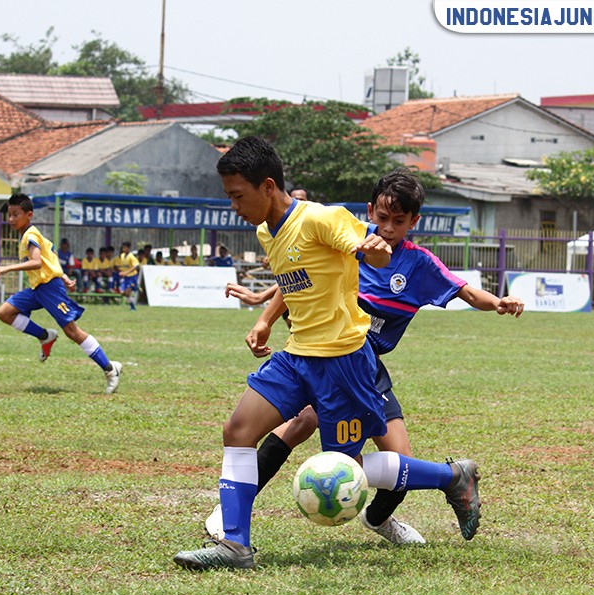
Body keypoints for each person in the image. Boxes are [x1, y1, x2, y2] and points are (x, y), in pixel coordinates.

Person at [172, 137, 481, 571]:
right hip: (297, 356)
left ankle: (452, 476)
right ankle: (235, 545)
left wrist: (372, 249)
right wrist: (264, 318)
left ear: (266, 186)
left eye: (237, 196)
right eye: (229, 197)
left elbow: (363, 245)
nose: (234, 207)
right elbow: (296, 281)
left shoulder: (320, 218)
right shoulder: (267, 231)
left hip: (343, 362)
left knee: (346, 467)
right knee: (238, 430)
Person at [204, 170, 525, 545]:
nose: (388, 228)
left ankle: (381, 518)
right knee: (297, 423)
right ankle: (232, 515)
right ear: (371, 211)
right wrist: (263, 314)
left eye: (399, 221)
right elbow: (299, 273)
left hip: (362, 365)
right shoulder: (350, 239)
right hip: (320, 353)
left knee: (392, 457)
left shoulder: (417, 264)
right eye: (382, 218)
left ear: (413, 222)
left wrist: (498, 302)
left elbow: (466, 292)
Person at [0, 193, 123, 394]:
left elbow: (37, 262)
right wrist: (64, 277)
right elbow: (50, 258)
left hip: (50, 289)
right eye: (9, 215)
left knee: (72, 332)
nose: (11, 219)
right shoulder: (33, 234)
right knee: (4, 313)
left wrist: (7, 268)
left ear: (29, 215)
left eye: (15, 214)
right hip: (38, 288)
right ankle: (45, 337)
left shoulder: (30, 236)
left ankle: (110, 369)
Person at [116, 241, 140, 310]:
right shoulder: (122, 255)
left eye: (125, 248)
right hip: (126, 277)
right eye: (122, 248)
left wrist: (126, 272)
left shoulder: (131, 257)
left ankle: (133, 307)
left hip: (132, 277)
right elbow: (124, 266)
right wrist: (121, 272)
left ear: (128, 248)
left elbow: (136, 266)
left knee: (127, 292)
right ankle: (136, 288)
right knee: (122, 293)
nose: (123, 249)